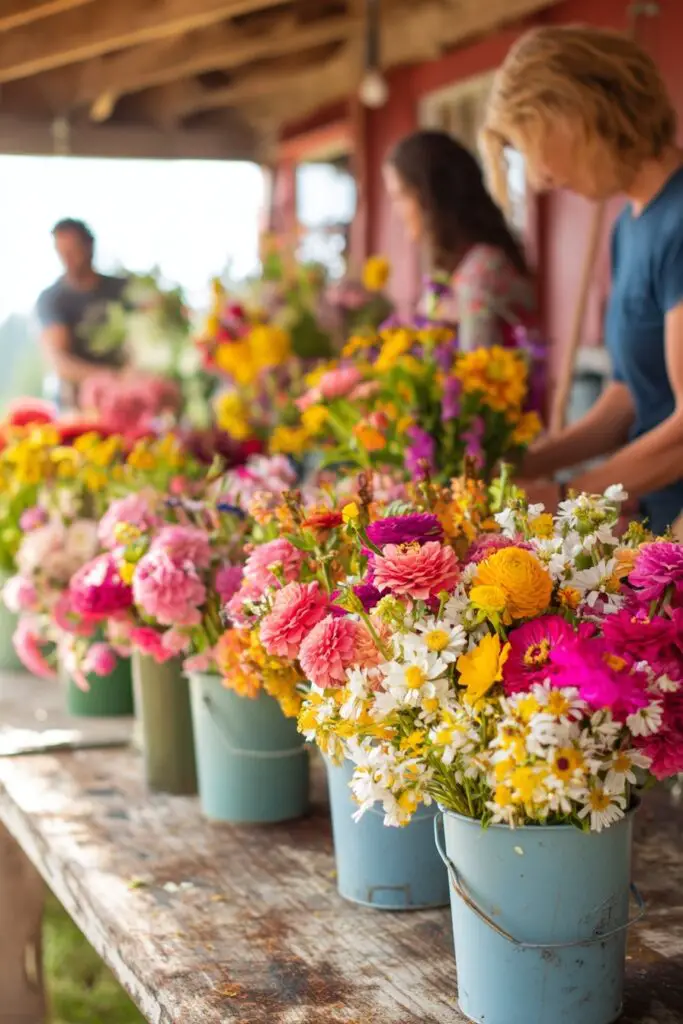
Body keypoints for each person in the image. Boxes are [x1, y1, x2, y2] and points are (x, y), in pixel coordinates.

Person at [481, 25, 683, 534]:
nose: (541, 175)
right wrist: (525, 467)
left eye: (535, 146)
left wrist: (567, 497)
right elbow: (631, 394)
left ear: (584, 113)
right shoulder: (628, 227)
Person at [383, 129, 537, 350]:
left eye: (400, 196)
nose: (396, 210)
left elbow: (474, 370)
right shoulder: (454, 266)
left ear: (431, 197)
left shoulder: (484, 268)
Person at [36, 219, 128, 409]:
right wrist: (110, 378)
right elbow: (59, 361)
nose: (67, 259)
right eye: (62, 253)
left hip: (128, 393)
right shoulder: (53, 299)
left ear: (90, 246)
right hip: (77, 401)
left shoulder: (122, 289)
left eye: (73, 251)